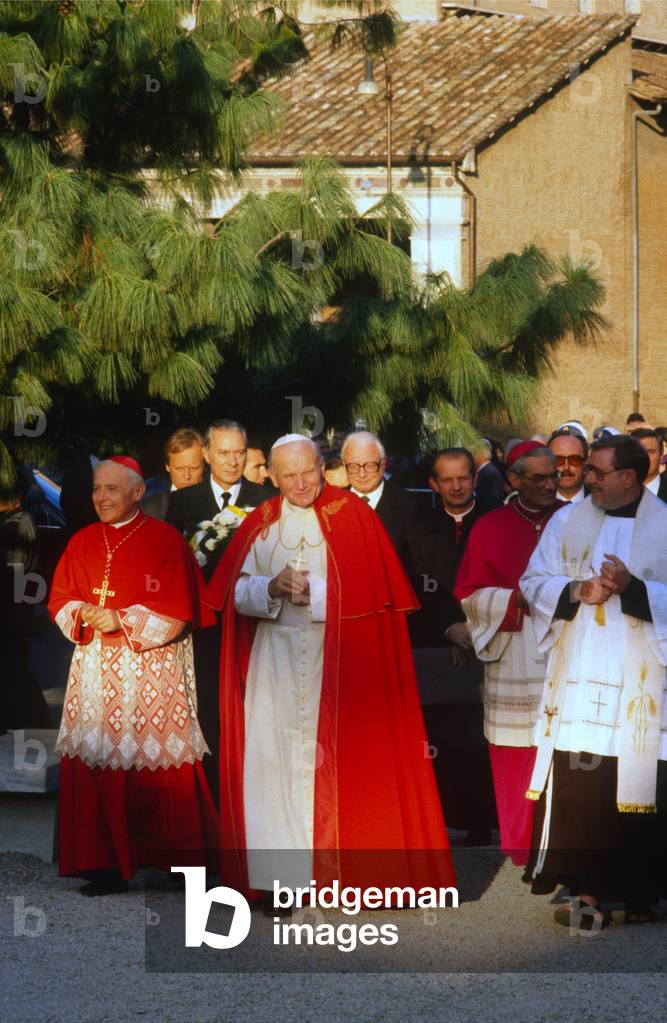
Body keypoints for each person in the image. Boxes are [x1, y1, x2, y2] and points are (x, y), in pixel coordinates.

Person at [205, 435, 456, 896]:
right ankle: (280, 880)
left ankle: (346, 876)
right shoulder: (259, 522)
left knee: (340, 765)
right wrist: (270, 589)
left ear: (324, 467)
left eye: (309, 471)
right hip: (274, 660)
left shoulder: (353, 515)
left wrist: (316, 595)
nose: (301, 483)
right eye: (290, 475)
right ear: (271, 477)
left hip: (340, 660)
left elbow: (376, 597)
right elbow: (231, 596)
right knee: (272, 764)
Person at [48, 456, 217, 895]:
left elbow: (178, 611)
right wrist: (80, 613)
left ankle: (177, 863)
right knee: (96, 760)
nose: (101, 498)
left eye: (111, 490)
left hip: (150, 671)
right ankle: (103, 865)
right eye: (96, 490)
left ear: (138, 493)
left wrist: (120, 620)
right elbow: (61, 597)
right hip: (94, 670)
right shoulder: (82, 540)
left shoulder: (164, 540)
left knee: (160, 765)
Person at [520, 435, 667, 929]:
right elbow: (532, 581)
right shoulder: (567, 521)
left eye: (598, 473)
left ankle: (637, 891)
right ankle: (583, 884)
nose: (588, 479)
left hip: (640, 678)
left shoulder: (664, 525)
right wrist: (575, 589)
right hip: (582, 674)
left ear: (631, 477)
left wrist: (634, 589)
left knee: (639, 776)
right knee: (583, 780)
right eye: (588, 471)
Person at [455, 442, 561, 865]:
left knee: (564, 747)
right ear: (514, 481)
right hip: (515, 646)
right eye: (538, 478)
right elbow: (468, 592)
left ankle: (559, 842)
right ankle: (521, 842)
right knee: (516, 750)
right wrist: (514, 599)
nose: (550, 485)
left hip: (562, 646)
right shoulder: (491, 526)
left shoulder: (572, 521)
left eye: (553, 475)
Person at [405, 448, 496, 844]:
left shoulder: (494, 521)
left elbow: (504, 579)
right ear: (433, 484)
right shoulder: (416, 526)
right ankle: (445, 819)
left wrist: (473, 627)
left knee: (482, 734)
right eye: (447, 479)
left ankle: (484, 818)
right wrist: (449, 628)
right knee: (441, 736)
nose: (457, 486)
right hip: (435, 641)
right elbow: (413, 586)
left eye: (464, 477)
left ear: (475, 479)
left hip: (490, 637)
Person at [166, 420, 275, 570]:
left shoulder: (268, 499)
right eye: (224, 453)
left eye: (240, 453)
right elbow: (171, 560)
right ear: (206, 454)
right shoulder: (183, 501)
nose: (233, 462)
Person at [1, 468, 52, 732]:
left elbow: (14, 571)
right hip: (12, 610)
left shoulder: (19, 524)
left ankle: (36, 722)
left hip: (11, 612)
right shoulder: (11, 521)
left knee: (15, 670)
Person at [341, 430, 425, 566]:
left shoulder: (411, 506)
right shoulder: (332, 504)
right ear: (344, 466)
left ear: (383, 465)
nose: (362, 474)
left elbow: (420, 564)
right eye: (353, 466)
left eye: (370, 465)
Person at [142, 427, 206, 520]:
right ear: (167, 466)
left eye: (194, 468)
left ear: (205, 466)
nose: (187, 476)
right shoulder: (147, 510)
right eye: (179, 468)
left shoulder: (223, 505)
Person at [548, 427, 588, 504]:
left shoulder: (602, 502)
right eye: (558, 460)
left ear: (585, 463)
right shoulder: (534, 503)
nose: (566, 467)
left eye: (574, 459)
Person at [628, 427, 667, 502]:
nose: (644, 457)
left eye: (650, 452)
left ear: (661, 455)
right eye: (638, 452)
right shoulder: (616, 492)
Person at [472, 439, 506, 510]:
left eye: (473, 453)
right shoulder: (486, 470)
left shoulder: (488, 474)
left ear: (481, 454)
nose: (471, 457)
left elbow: (489, 502)